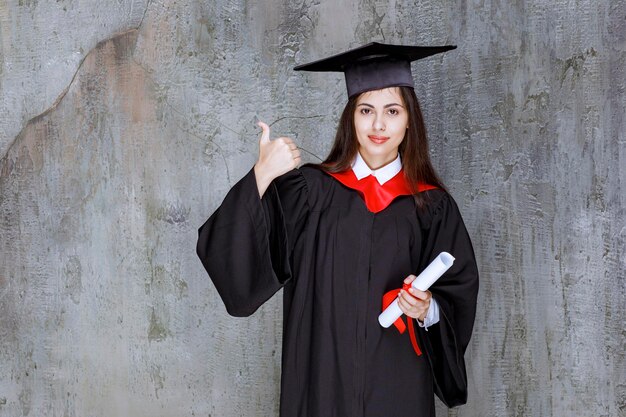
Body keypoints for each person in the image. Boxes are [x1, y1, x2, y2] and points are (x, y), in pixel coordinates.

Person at [197, 42, 479, 417]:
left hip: (398, 389)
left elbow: (457, 299)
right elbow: (232, 259)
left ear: (409, 119)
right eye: (366, 110)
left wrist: (428, 309)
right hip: (322, 387)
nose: (379, 125)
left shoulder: (431, 208)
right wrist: (262, 173)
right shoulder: (310, 193)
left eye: (392, 111)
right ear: (351, 118)